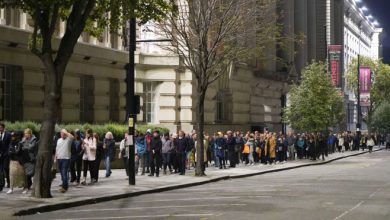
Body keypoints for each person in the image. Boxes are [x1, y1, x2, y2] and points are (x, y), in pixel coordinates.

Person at [19, 128, 37, 194]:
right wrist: (25, 146)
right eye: (25, 133)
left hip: (31, 158)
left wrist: (24, 146)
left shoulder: (34, 139)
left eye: (27, 133)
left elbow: (31, 147)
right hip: (25, 158)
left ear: (30, 134)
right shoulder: (23, 139)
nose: (25, 135)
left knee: (29, 174)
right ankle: (28, 185)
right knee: (26, 174)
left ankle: (28, 185)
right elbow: (20, 146)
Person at [0, 123, 12, 190]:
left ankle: (8, 182)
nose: (0, 129)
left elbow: (10, 144)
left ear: (3, 128)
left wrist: (8, 153)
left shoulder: (8, 134)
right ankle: (2, 183)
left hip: (6, 155)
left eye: (1, 128)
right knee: (0, 169)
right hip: (0, 154)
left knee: (6, 168)